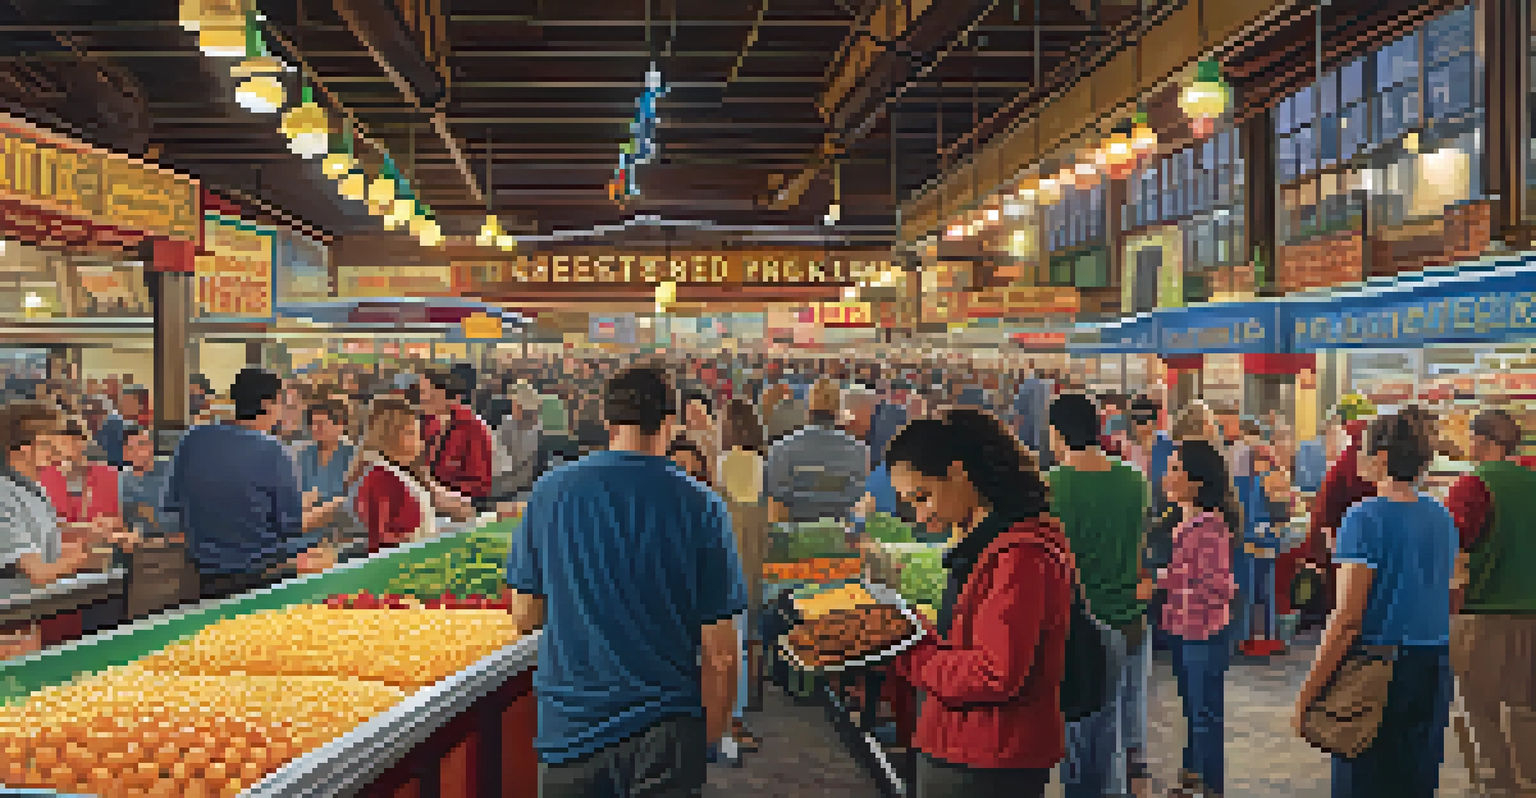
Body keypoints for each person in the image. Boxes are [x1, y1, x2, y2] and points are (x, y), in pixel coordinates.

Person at [505, 364, 746, 797]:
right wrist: (708, 739)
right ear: (670, 423)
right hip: (667, 735)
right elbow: (722, 654)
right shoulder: (703, 506)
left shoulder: (550, 492)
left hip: (571, 730)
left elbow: (524, 615)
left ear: (606, 419)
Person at [884, 407, 1070, 798]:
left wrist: (909, 651)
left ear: (958, 473)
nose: (921, 515)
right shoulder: (994, 543)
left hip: (985, 757)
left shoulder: (1020, 556)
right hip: (972, 747)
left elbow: (994, 673)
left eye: (923, 496)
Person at [1295, 411, 1457, 798]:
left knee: (1363, 782)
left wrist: (1308, 695)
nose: (1355, 456)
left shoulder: (1363, 518)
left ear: (1381, 458)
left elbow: (1348, 618)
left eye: (1359, 449)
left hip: (1378, 670)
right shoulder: (1441, 515)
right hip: (1434, 666)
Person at [1047, 393, 1150, 797]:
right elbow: (1138, 548)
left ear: (1057, 433)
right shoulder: (1133, 479)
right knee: (1115, 723)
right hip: (1129, 619)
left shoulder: (1052, 485)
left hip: (1080, 627)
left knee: (1077, 731)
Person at [163, 368, 328, 601]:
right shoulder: (274, 451)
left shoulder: (194, 438)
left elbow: (174, 504)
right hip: (260, 574)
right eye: (282, 404)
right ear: (268, 405)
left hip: (202, 572)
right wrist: (333, 509)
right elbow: (290, 526)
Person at [1443, 409, 1536, 794]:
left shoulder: (1472, 486)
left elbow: (1454, 547)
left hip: (1482, 612)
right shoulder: (1532, 482)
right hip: (1532, 611)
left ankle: (1497, 783)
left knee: (1481, 708)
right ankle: (1529, 780)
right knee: (1526, 707)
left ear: (1482, 441)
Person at [1152, 439, 1239, 797]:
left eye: (1174, 469)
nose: (1166, 477)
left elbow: (1218, 586)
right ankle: (1191, 779)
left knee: (1205, 716)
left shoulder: (1209, 527)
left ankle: (1211, 787)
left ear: (1196, 480)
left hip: (1204, 631)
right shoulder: (1182, 521)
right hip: (1183, 628)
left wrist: (1162, 581)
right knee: (1193, 711)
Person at [351, 396, 474, 554]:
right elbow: (395, 540)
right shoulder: (382, 477)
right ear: (390, 436)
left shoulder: (397, 472)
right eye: (412, 434)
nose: (421, 443)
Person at [764, 379, 869, 524]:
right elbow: (859, 505)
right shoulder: (860, 452)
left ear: (807, 410)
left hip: (795, 536)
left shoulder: (781, 448)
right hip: (840, 536)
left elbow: (775, 507)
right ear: (838, 412)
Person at [418, 367, 495, 506]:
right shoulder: (427, 423)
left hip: (461, 507)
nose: (421, 398)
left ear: (444, 393)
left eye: (426, 392)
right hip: (428, 500)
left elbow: (479, 485)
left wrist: (440, 493)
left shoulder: (473, 427)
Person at [297, 397, 356, 537]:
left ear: (340, 425)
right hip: (305, 525)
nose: (316, 428)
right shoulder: (304, 455)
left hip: (339, 530)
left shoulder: (353, 456)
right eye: (313, 423)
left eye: (322, 423)